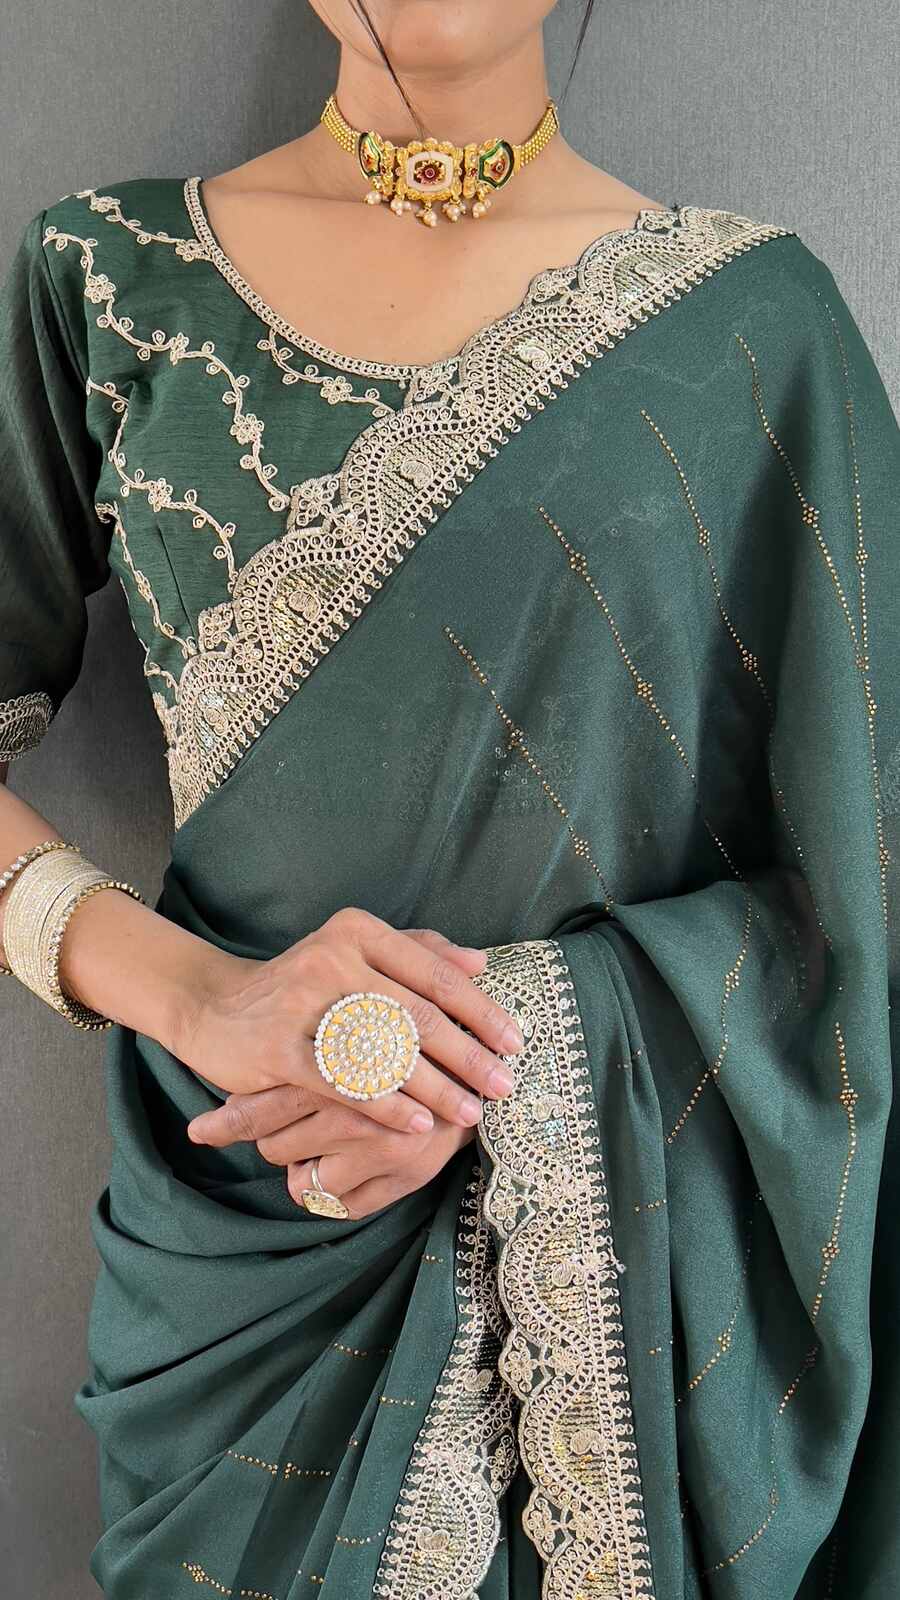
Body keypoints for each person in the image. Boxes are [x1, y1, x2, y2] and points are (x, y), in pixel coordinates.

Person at [1, 0, 898, 1594]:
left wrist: (516, 1047)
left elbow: (864, 889)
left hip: (644, 1287)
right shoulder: (107, 276)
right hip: (242, 1259)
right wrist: (204, 998)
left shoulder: (758, 332)